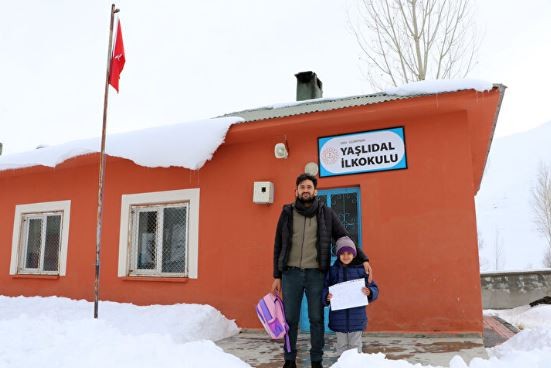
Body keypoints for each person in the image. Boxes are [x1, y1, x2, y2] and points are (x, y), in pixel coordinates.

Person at [271, 173, 373, 368]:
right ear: (296, 191)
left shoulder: (326, 213)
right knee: (290, 320)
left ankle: (316, 360)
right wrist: (277, 275)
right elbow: (278, 245)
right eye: (302, 187)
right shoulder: (286, 213)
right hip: (290, 274)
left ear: (315, 191)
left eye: (309, 187)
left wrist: (363, 258)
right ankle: (289, 360)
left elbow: (343, 236)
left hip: (316, 275)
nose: (306, 190)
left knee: (316, 319)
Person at [323, 236, 379, 355]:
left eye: (349, 253)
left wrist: (370, 292)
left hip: (357, 319)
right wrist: (326, 296)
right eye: (342, 253)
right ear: (338, 254)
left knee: (355, 348)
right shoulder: (333, 271)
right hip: (338, 319)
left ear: (354, 254)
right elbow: (325, 288)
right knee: (341, 348)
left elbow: (374, 288)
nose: (346, 256)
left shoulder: (362, 271)